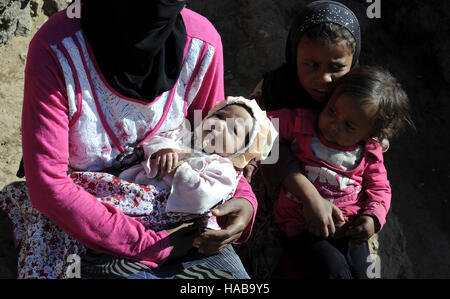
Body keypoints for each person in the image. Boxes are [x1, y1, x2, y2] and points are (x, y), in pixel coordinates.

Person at [0, 1, 258, 279]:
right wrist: (149, 245)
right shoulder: (58, 49)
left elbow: (213, 148)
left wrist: (245, 201)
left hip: (180, 220)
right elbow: (49, 185)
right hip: (84, 224)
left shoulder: (202, 46)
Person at [238, 0, 363, 278]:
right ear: (294, 54)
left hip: (343, 211)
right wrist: (309, 197)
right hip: (280, 209)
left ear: (353, 63)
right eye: (311, 65)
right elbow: (264, 144)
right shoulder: (273, 92)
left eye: (336, 67)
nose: (324, 78)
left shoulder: (358, 102)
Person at [268, 66, 413, 278]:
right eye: (332, 111)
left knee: (367, 273)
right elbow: (263, 124)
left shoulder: (369, 152)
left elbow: (380, 188)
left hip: (350, 229)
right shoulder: (302, 124)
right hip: (301, 226)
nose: (334, 125)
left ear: (371, 133)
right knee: (334, 269)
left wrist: (372, 218)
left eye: (349, 126)